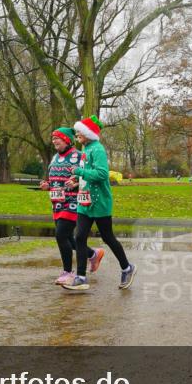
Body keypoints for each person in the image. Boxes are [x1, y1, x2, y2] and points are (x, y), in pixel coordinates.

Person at [64, 115, 137, 291]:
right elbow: (87, 175)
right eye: (77, 132)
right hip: (85, 202)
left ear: (89, 133)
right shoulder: (85, 150)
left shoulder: (97, 150)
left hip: (100, 202)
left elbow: (102, 174)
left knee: (107, 237)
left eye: (80, 131)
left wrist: (80, 170)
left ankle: (127, 268)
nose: (77, 134)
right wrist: (76, 181)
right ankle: (81, 277)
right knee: (79, 236)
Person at [40, 127, 104, 285]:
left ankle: (68, 272)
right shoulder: (55, 157)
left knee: (61, 235)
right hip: (57, 203)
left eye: (58, 139)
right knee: (68, 238)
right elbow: (53, 177)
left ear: (67, 140)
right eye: (53, 139)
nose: (54, 141)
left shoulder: (78, 155)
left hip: (73, 202)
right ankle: (93, 254)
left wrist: (75, 183)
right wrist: (47, 184)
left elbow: (86, 176)